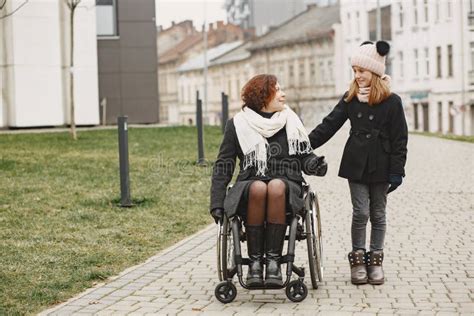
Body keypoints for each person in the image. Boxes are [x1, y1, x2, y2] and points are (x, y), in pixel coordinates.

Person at [210, 74, 327, 288]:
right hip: (250, 182)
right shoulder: (237, 124)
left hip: (287, 183)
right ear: (264, 96)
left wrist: (314, 164)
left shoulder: (291, 120)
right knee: (258, 187)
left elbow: (304, 154)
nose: (283, 94)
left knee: (275, 186)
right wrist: (217, 202)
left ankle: (273, 262)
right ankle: (255, 263)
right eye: (278, 90)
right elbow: (224, 164)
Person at [307, 41, 408, 285]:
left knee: (378, 213)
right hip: (356, 164)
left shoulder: (392, 102)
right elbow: (329, 124)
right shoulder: (351, 98)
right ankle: (358, 260)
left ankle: (376, 262)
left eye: (361, 71)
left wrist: (397, 172)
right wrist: (304, 144)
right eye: (354, 71)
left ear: (374, 71)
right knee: (361, 212)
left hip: (382, 165)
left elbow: (400, 139)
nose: (357, 76)